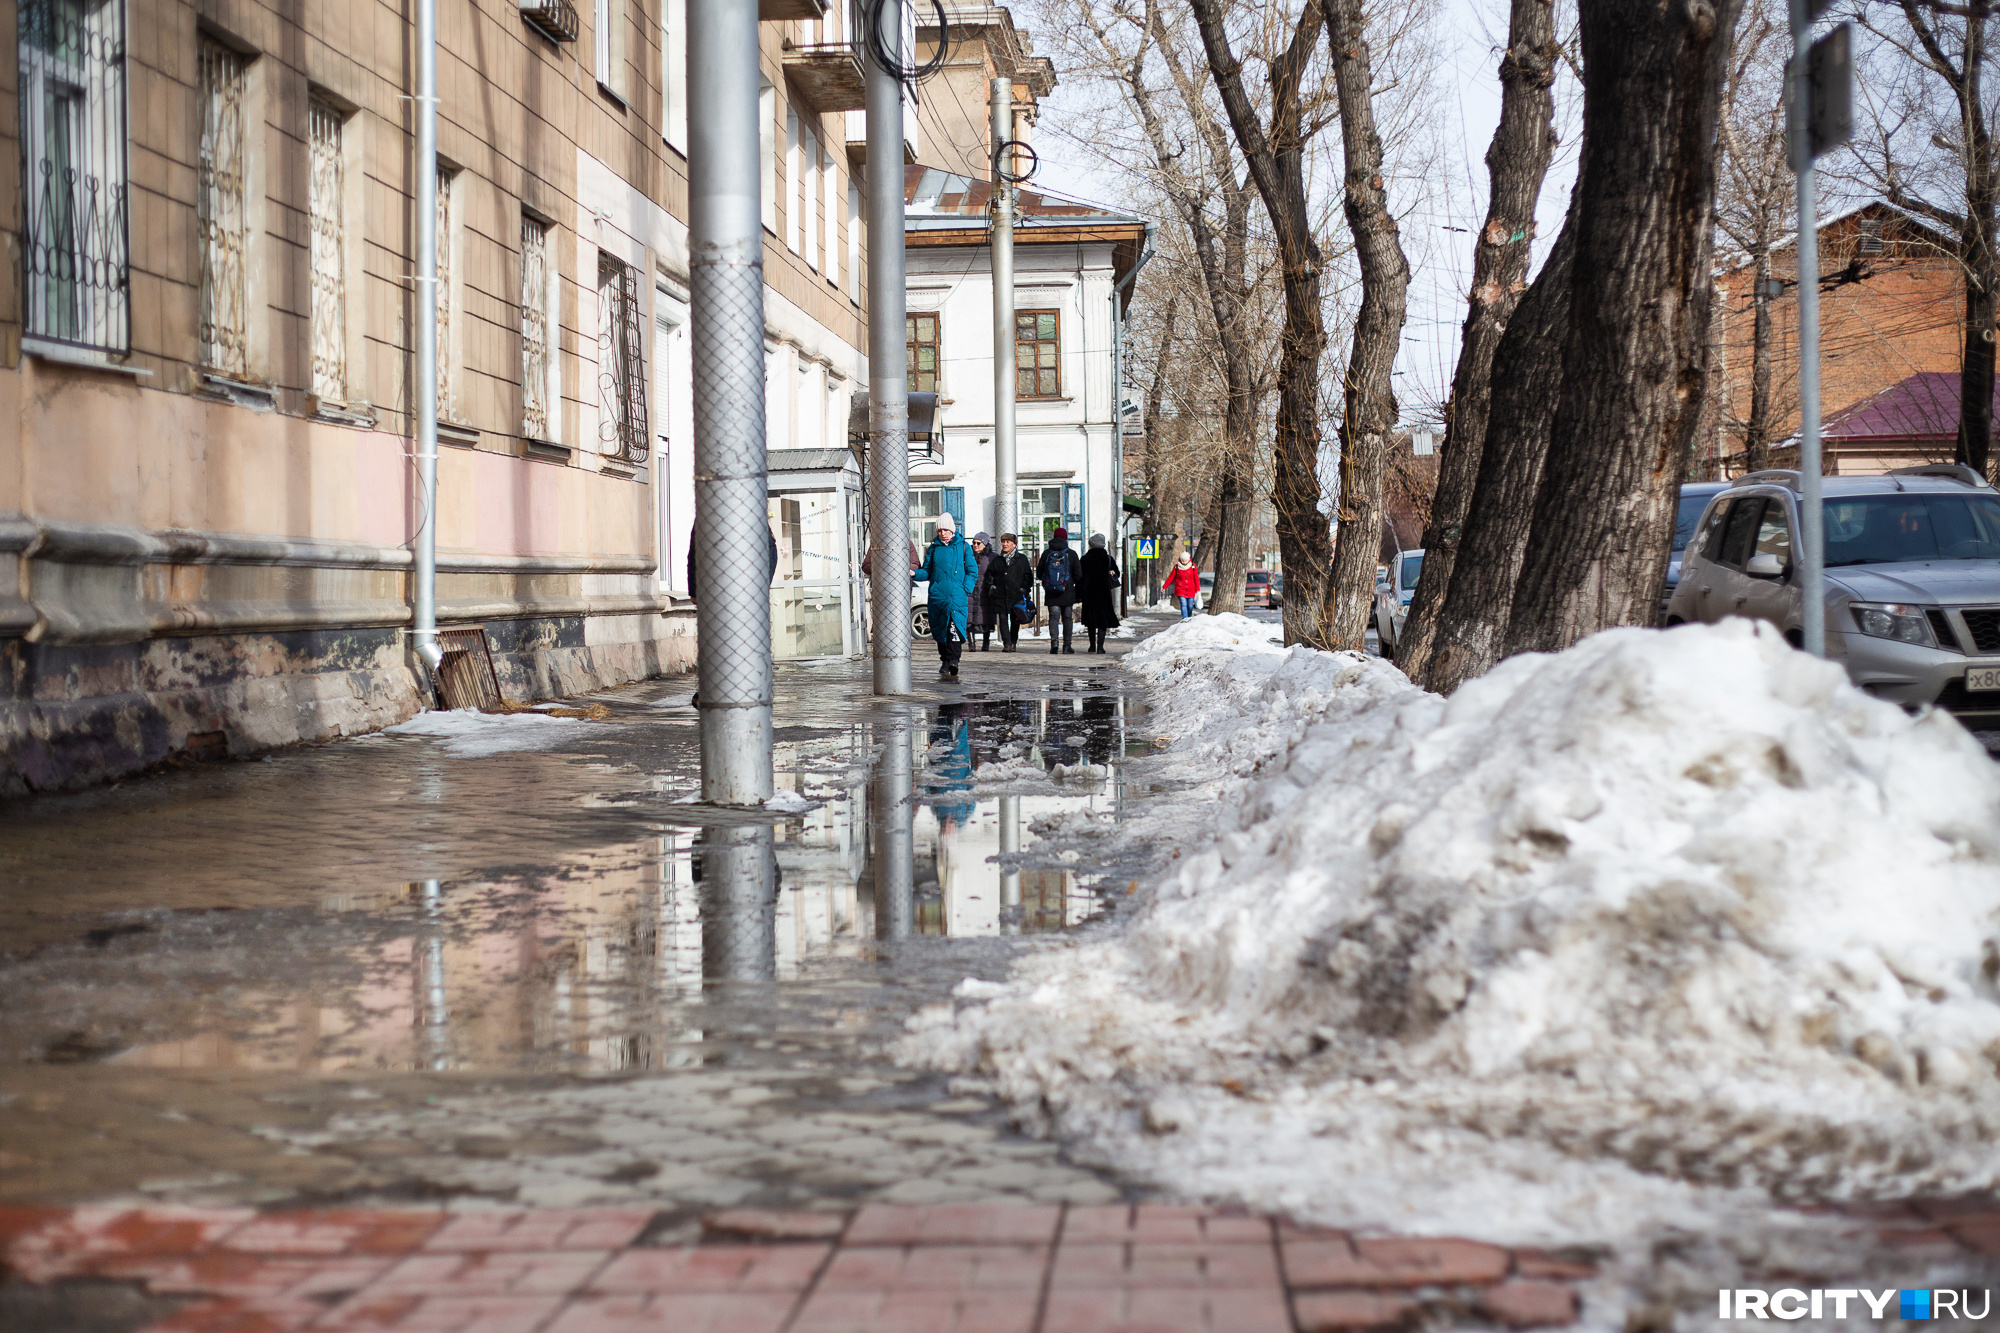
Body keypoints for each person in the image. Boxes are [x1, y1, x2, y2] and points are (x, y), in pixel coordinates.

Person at [913, 512, 979, 678]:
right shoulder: (934, 548)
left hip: (957, 596)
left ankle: (954, 660)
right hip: (938, 596)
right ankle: (944, 660)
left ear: (952, 530)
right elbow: (927, 571)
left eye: (946, 530)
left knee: (954, 628)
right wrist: (914, 574)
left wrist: (964, 588)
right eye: (940, 530)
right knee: (941, 628)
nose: (943, 533)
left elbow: (972, 571)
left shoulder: (963, 546)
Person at [1036, 527, 1081, 655]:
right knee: (1067, 619)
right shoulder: (1071, 554)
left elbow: (1039, 573)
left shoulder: (1046, 553)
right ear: (1066, 538)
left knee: (1053, 617)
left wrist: (1048, 582)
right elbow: (1078, 574)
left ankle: (1054, 644)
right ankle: (1067, 646)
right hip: (1067, 592)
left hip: (1051, 592)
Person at [1078, 533, 1120, 654]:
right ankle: (1100, 647)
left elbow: (1080, 578)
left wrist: (1080, 594)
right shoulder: (1108, 559)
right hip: (1104, 593)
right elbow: (1117, 573)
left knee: (1091, 620)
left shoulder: (1085, 559)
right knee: (1102, 621)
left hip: (1089, 593)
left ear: (1091, 545)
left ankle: (1092, 646)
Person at [992, 533, 1033, 652]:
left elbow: (1028, 576)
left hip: (1016, 594)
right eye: (1003, 542)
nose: (1004, 544)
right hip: (1001, 594)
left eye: (1007, 542)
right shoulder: (998, 559)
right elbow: (990, 574)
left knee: (1015, 619)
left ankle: (1013, 641)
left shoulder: (1022, 559)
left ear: (1014, 544)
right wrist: (993, 587)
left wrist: (1024, 589)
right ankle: (1007, 643)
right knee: (1003, 619)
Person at [966, 532, 998, 651]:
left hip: (985, 591)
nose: (975, 545)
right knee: (969, 619)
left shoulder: (992, 557)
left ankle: (986, 643)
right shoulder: (968, 556)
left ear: (985, 544)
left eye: (978, 543)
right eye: (974, 543)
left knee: (986, 618)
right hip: (970, 591)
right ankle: (971, 644)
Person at [1165, 549, 1201, 618]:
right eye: (1182, 560)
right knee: (1183, 603)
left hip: (1191, 589)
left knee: (1190, 606)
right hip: (1180, 589)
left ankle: (1189, 617)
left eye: (1185, 560)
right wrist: (1164, 586)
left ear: (1188, 560)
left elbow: (1196, 578)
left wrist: (1198, 589)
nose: (1184, 562)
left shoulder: (1193, 566)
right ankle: (1184, 618)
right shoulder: (1177, 567)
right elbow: (1171, 577)